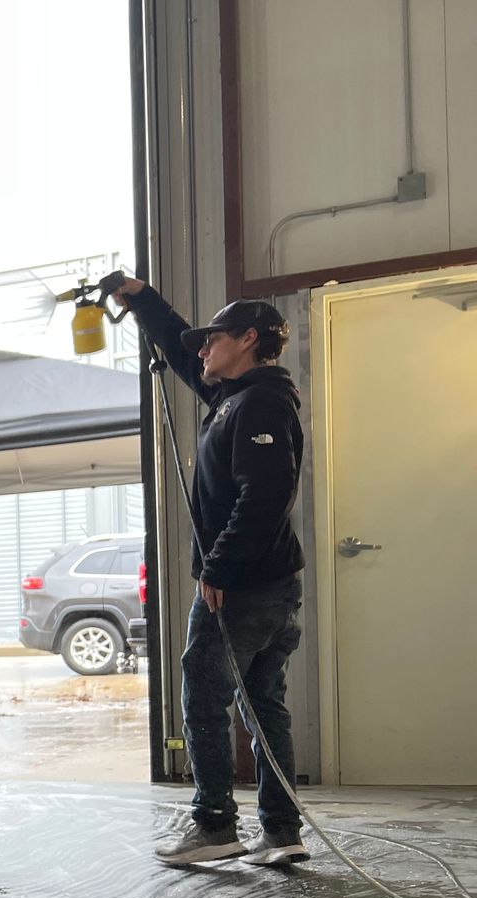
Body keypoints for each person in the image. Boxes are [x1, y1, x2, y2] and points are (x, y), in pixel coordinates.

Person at [109, 277, 309, 867]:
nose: (201, 352)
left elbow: (266, 495)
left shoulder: (260, 404)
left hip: (243, 587)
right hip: (267, 585)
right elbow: (177, 345)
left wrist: (217, 568)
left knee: (203, 696)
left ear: (248, 339)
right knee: (263, 702)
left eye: (213, 340)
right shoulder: (235, 399)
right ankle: (281, 830)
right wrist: (141, 299)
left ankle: (215, 825)